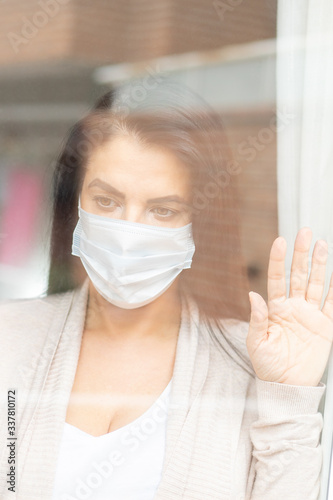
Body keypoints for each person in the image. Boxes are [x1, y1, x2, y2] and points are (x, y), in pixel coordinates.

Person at [0, 78, 332, 500]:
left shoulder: (253, 365)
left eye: (163, 210)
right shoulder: (8, 338)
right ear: (74, 203)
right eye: (106, 201)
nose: (128, 232)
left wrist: (290, 401)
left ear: (200, 225)